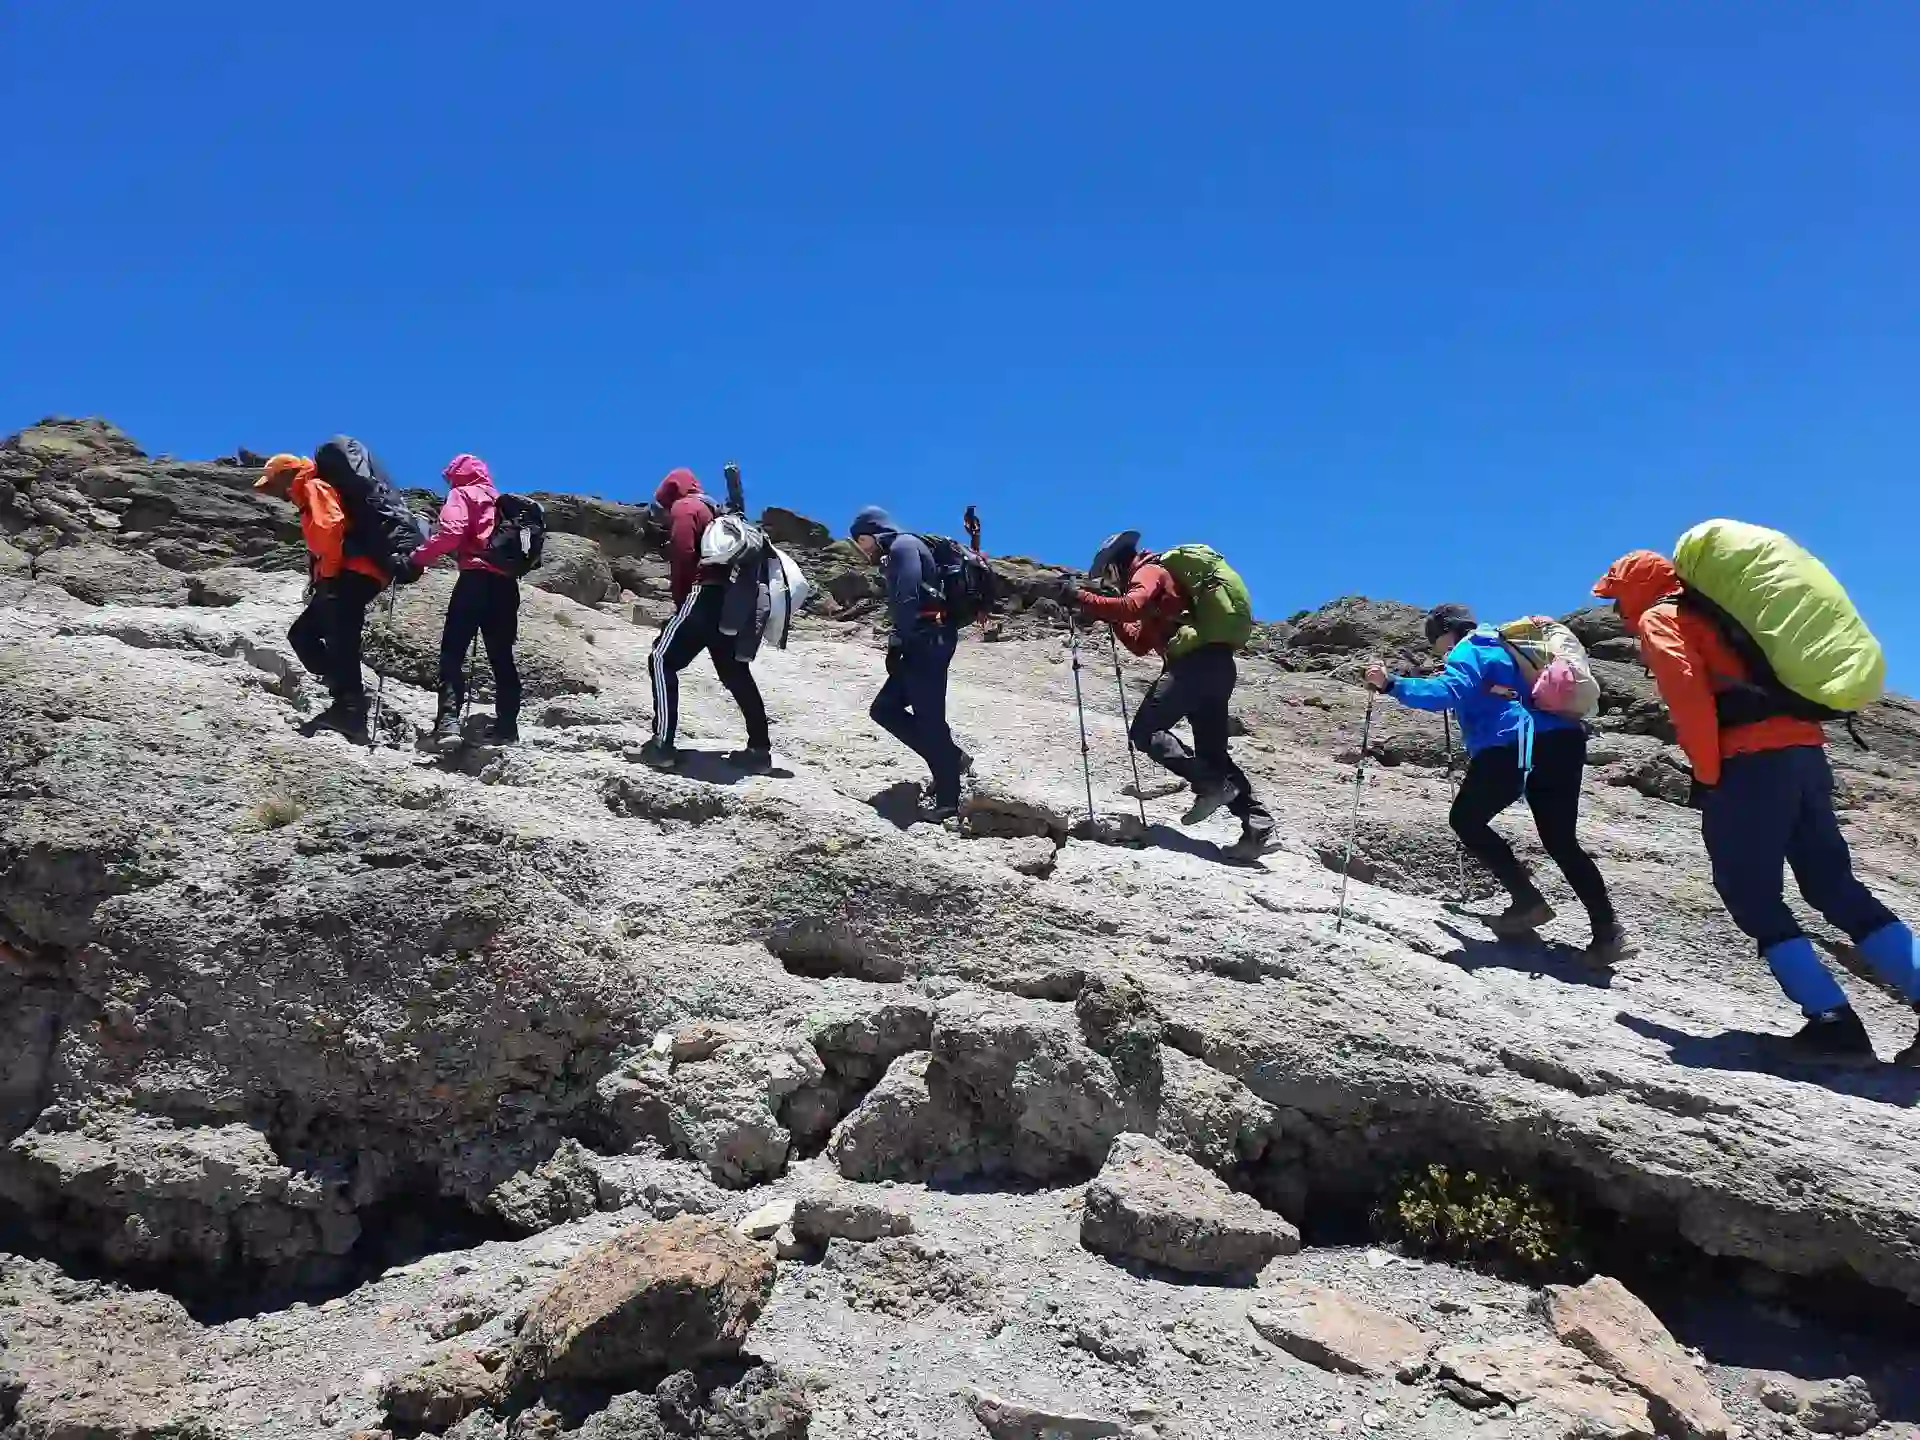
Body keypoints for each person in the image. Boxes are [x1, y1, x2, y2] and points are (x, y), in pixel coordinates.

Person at [1594, 551, 1920, 1062]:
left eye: (1617, 599)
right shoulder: (1727, 615)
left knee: (1752, 895)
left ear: (1638, 590)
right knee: (1834, 886)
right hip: (1806, 756)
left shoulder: (1663, 618)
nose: (1615, 613)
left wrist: (1706, 775)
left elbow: (1690, 701)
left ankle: (1832, 1023)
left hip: (1750, 763)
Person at [1365, 603, 1629, 964]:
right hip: (1563, 740)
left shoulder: (1471, 648)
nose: (1438, 649)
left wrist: (1392, 683)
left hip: (1514, 741)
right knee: (1561, 840)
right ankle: (1608, 933)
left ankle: (1527, 902)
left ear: (1447, 632)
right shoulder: (1513, 647)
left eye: (1436, 640)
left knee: (1466, 820)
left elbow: (1448, 691)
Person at [1063, 531, 1275, 862]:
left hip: (1193, 666)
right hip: (1218, 666)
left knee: (1145, 731)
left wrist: (1084, 599)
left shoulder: (1149, 571)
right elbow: (1139, 642)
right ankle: (1257, 826)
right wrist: (1107, 610)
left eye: (1107, 573)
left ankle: (1211, 785)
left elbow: (1132, 605)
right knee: (1213, 752)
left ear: (1116, 566)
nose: (1109, 581)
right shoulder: (1163, 587)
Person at [638, 468, 773, 772]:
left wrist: (682, 600)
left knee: (661, 659)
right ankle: (759, 750)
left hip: (703, 595)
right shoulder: (714, 510)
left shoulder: (686, 508)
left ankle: (662, 745)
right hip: (731, 601)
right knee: (734, 672)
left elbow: (685, 554)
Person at [255, 452, 391, 743]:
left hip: (350, 573)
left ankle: (351, 707)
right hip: (356, 573)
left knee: (333, 637)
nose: (276, 495)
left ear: (285, 477)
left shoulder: (314, 486)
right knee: (308, 635)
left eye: (273, 486)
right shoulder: (313, 488)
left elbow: (330, 529)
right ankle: (347, 692)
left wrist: (327, 577)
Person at [849, 506, 966, 821]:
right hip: (926, 638)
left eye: (861, 542)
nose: (862, 550)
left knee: (929, 720)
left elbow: (908, 594)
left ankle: (948, 800)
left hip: (927, 641)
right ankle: (951, 758)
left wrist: (898, 640)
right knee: (884, 708)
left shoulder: (902, 546)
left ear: (868, 534)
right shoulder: (904, 547)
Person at [411, 454, 522, 749]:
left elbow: (452, 532)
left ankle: (448, 723)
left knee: (453, 653)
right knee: (502, 657)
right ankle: (507, 728)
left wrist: (418, 557)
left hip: (475, 579)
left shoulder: (462, 493)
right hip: (507, 585)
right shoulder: (503, 502)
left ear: (457, 475)